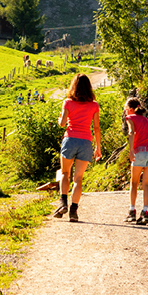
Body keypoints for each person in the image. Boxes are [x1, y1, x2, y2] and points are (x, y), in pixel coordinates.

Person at [54, 73, 101, 222]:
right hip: (86, 142)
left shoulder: (67, 102)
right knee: (78, 179)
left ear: (73, 86)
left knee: (65, 173)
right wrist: (98, 147)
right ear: (89, 87)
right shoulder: (94, 105)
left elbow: (62, 124)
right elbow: (97, 128)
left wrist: (60, 118)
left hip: (70, 140)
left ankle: (63, 203)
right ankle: (73, 211)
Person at [123, 98, 148, 225]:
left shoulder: (130, 118)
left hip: (140, 151)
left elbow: (131, 132)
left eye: (126, 109)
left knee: (134, 182)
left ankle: (132, 211)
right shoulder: (147, 121)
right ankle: (145, 212)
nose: (125, 112)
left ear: (131, 109)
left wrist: (132, 150)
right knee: (146, 183)